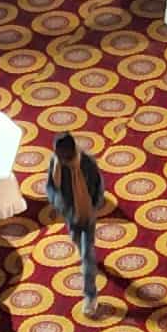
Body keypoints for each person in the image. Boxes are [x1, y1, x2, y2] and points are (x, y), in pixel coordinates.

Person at [48, 131, 108, 318]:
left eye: (64, 155)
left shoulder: (87, 164)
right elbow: (51, 186)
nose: (62, 158)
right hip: (70, 213)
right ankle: (90, 262)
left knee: (86, 254)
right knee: (77, 242)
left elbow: (98, 185)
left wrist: (93, 206)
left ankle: (90, 295)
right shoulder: (56, 164)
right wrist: (59, 204)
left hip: (86, 213)